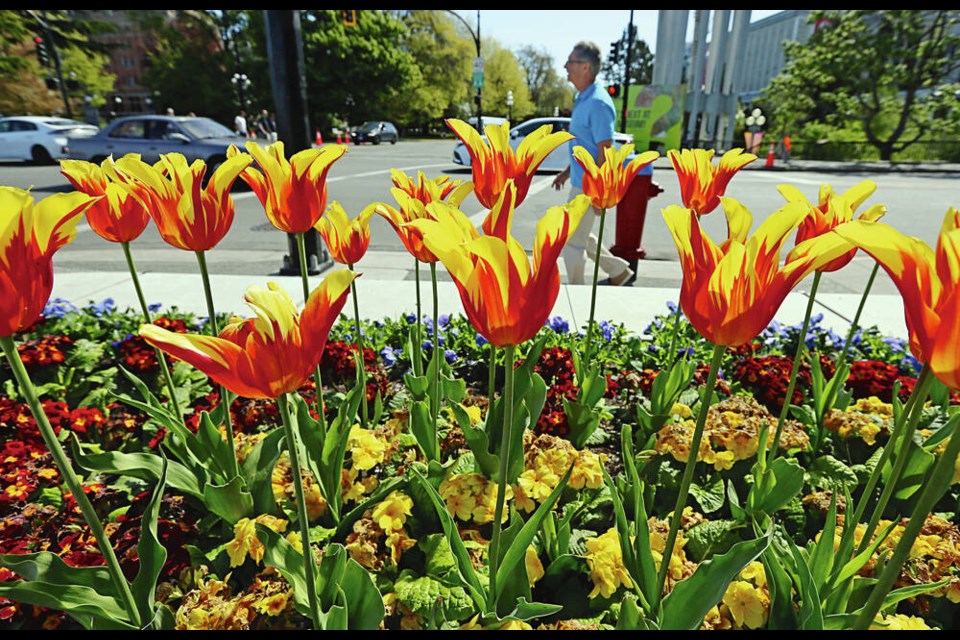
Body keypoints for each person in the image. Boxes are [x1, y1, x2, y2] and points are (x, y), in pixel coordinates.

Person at [551, 40, 634, 286]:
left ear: (585, 67)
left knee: (572, 243)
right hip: (579, 182)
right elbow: (583, 145)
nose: (565, 66)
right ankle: (619, 272)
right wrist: (566, 172)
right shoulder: (583, 98)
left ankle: (577, 293)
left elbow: (604, 150)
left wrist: (599, 193)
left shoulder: (598, 102)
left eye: (571, 61)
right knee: (581, 236)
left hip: (588, 188)